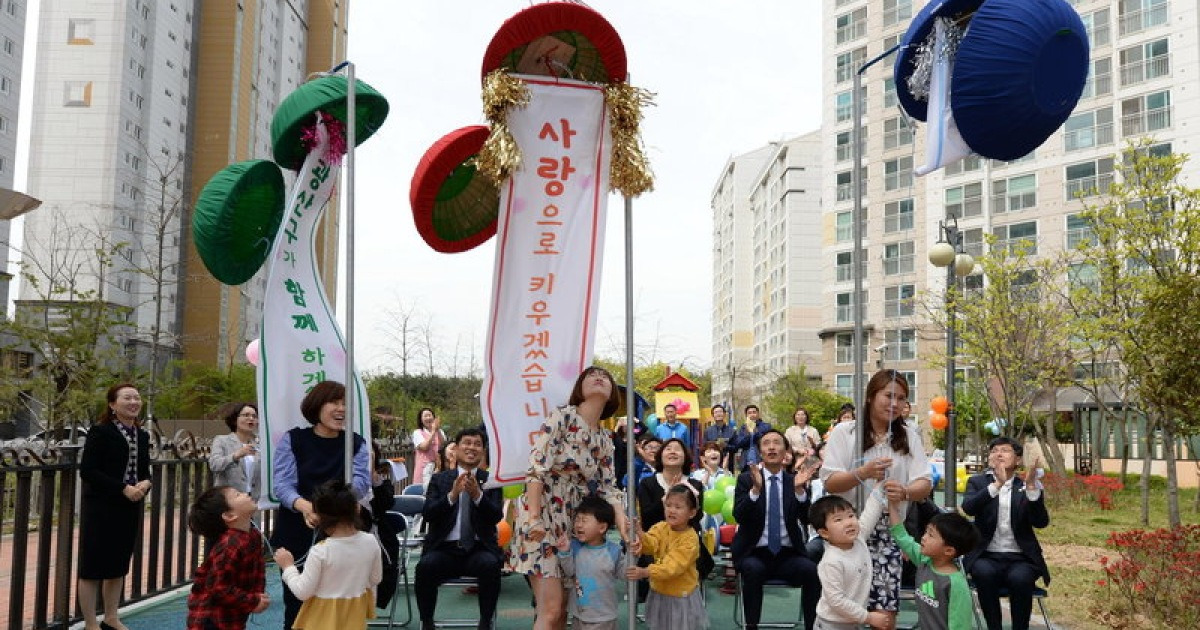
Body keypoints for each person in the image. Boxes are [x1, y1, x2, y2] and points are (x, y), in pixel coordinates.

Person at [507, 366, 629, 630]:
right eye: (591, 376)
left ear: (612, 394)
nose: (600, 378)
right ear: (579, 388)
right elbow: (536, 468)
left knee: (563, 609)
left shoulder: (605, 439)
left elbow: (609, 487)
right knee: (550, 609)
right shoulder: (562, 417)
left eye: (606, 377)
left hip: (576, 523)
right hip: (543, 515)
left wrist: (623, 523)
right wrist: (534, 519)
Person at [820, 370, 932, 625]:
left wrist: (905, 491)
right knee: (843, 608)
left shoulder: (909, 435)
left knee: (884, 614)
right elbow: (829, 482)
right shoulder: (845, 432)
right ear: (871, 396)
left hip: (889, 531)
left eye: (902, 398)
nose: (895, 403)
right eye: (888, 395)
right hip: (846, 529)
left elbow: (924, 483)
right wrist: (862, 473)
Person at [271, 380, 372, 629]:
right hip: (296, 527)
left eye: (345, 404)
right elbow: (282, 485)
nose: (341, 409)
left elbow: (360, 483)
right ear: (317, 406)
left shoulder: (355, 443)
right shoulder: (293, 439)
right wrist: (306, 507)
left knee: (337, 602)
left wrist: (331, 508)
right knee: (297, 603)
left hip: (341, 531)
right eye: (334, 403)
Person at [77, 383, 153, 630]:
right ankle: (90, 623)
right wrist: (122, 488)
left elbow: (145, 470)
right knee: (93, 565)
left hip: (129, 506)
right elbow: (88, 470)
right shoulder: (100, 431)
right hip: (101, 507)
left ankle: (111, 616)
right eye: (127, 398)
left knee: (118, 563)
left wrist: (144, 484)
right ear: (112, 404)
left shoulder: (142, 435)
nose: (133, 402)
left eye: (137, 398)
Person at [730, 429, 821, 630]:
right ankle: (751, 626)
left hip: (788, 554)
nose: (771, 447)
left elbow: (807, 518)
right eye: (766, 443)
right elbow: (739, 516)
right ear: (761, 451)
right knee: (753, 570)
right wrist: (755, 491)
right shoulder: (747, 479)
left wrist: (799, 492)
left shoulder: (795, 480)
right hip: (754, 552)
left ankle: (812, 627)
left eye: (777, 443)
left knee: (812, 571)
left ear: (786, 452)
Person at [415, 428, 505, 630]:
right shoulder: (441, 479)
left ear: (483, 451)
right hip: (444, 549)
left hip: (478, 549)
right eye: (467, 443)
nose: (471, 448)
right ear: (455, 448)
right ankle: (427, 622)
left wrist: (477, 496)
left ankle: (485, 622)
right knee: (425, 566)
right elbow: (428, 513)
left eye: (477, 444)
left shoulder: (490, 480)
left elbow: (496, 516)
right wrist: (452, 495)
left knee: (490, 565)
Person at [962, 437, 1050, 630]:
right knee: (983, 573)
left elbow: (1041, 522)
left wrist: (1033, 490)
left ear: (1018, 460)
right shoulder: (977, 482)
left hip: (1021, 558)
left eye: (1005, 450)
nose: (998, 454)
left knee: (1021, 579)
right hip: (986, 556)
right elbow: (968, 507)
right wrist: (996, 485)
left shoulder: (1026, 484)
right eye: (994, 451)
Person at [274, 480, 383, 630]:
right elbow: (375, 578)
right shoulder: (370, 542)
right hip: (354, 618)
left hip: (321, 620)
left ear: (319, 517)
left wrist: (288, 567)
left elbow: (302, 592)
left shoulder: (321, 551)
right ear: (357, 508)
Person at [886, 491, 978, 630]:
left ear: (948, 551)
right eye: (926, 532)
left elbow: (960, 625)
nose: (923, 538)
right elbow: (901, 535)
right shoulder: (925, 560)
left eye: (931, 535)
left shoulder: (956, 585)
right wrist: (892, 504)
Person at [626, 484, 708, 630]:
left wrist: (646, 572)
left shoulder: (690, 539)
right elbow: (650, 545)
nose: (671, 510)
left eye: (678, 507)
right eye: (668, 505)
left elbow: (673, 567)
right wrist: (639, 533)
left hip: (680, 596)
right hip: (659, 591)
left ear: (692, 513)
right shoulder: (661, 527)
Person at [186, 486, 270, 629]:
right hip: (211, 620)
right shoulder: (229, 545)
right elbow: (218, 587)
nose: (245, 494)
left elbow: (257, 569)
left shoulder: (252, 535)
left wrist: (257, 595)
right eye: (237, 495)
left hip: (231, 617)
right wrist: (252, 601)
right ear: (230, 516)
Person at [636, 438, 707, 602]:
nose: (673, 452)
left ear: (685, 457)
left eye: (678, 449)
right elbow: (647, 520)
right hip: (655, 542)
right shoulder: (648, 483)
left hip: (685, 541)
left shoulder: (694, 485)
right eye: (668, 449)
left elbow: (696, 518)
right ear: (660, 456)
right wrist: (666, 498)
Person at [809, 494, 888, 630]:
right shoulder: (831, 561)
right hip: (831, 624)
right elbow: (837, 601)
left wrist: (879, 485)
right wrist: (868, 617)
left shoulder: (859, 539)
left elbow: (871, 510)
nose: (849, 522)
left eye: (851, 516)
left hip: (854, 621)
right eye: (838, 520)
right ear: (824, 533)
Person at [553, 496, 625, 630]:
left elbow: (624, 574)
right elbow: (570, 572)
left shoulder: (613, 551)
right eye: (577, 519)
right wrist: (564, 553)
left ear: (602, 527)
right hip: (579, 613)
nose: (579, 524)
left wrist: (634, 556)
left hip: (604, 616)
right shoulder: (575, 546)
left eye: (584, 520)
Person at [208, 403, 261, 500]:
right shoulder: (222, 441)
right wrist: (236, 455)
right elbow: (214, 465)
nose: (251, 418)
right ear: (234, 420)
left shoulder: (259, 445)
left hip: (252, 501)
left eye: (254, 416)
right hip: (228, 501)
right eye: (246, 415)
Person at [728, 404, 771, 469]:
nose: (752, 415)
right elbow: (739, 443)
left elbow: (766, 440)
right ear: (746, 415)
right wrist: (748, 435)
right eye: (749, 413)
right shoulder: (743, 428)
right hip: (746, 461)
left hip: (761, 459)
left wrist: (755, 432)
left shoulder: (766, 426)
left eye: (754, 412)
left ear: (758, 414)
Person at [411, 407, 445, 486]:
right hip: (423, 468)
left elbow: (443, 445)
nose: (428, 418)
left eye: (430, 415)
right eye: (425, 416)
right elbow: (424, 447)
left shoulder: (440, 432)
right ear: (421, 420)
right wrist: (433, 432)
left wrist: (437, 430)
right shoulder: (417, 433)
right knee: (423, 491)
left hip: (438, 467)